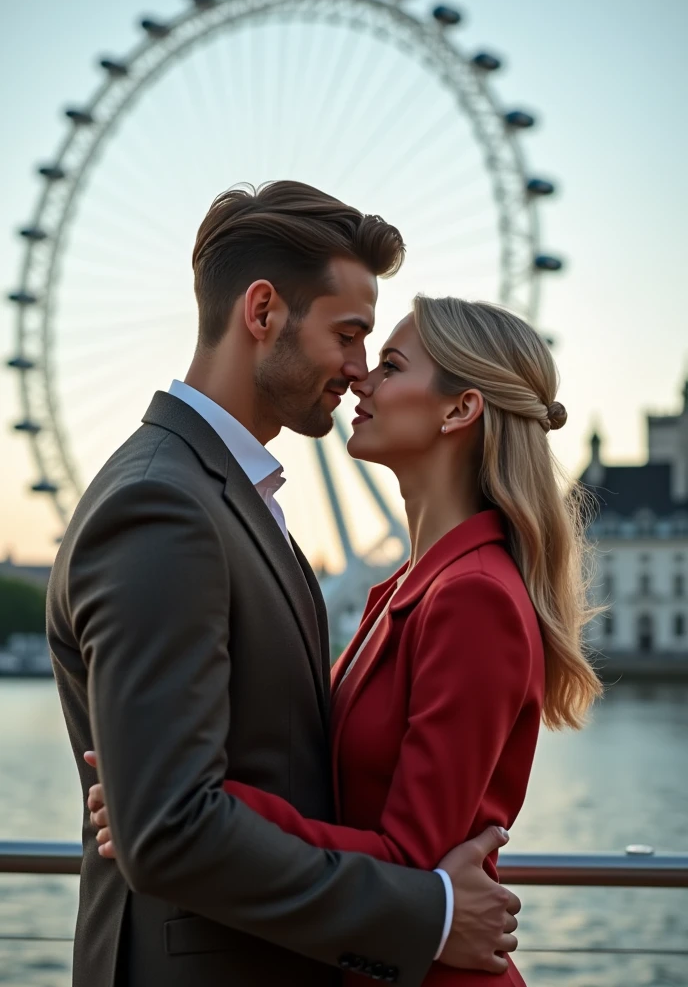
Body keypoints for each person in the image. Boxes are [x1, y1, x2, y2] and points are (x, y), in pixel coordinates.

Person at [47, 181, 521, 987]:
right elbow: (169, 831)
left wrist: (150, 808)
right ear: (262, 313)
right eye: (349, 334)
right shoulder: (164, 505)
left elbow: (192, 804)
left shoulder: (227, 502)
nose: (360, 370)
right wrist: (431, 913)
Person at [87, 294, 603, 985]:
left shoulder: (474, 597)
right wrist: (153, 787)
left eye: (390, 365)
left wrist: (197, 812)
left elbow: (413, 860)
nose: (362, 378)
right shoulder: (405, 591)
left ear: (459, 410)